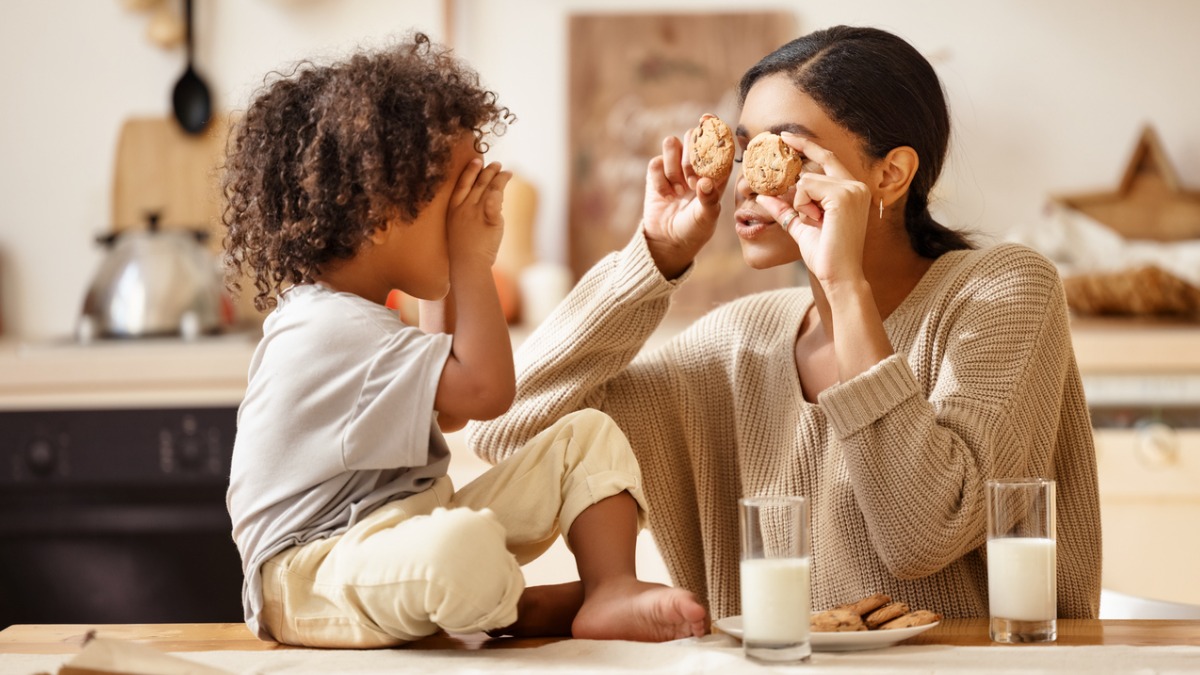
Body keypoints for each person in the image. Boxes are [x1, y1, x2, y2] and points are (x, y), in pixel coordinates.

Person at [470, 25, 1102, 622]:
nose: (748, 180)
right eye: (744, 152)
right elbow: (509, 430)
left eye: (786, 151)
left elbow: (922, 535)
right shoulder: (741, 340)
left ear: (891, 173)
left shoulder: (1002, 291)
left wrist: (842, 285)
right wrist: (654, 257)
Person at [221, 33, 707, 648]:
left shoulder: (354, 318)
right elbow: (483, 391)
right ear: (380, 216)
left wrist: (453, 265)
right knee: (461, 545)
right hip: (312, 572)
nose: (470, 213)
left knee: (584, 436)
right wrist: (471, 263)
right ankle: (515, 610)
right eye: (457, 196)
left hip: (400, 531)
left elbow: (447, 410)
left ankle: (608, 588)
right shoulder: (328, 331)